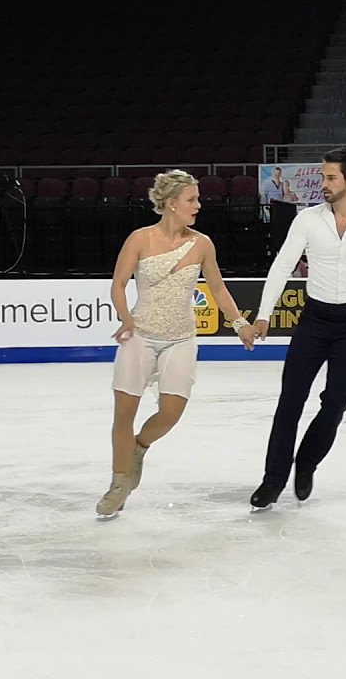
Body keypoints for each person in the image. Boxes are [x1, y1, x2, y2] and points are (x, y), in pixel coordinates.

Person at [99, 170, 258, 518]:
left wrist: (240, 324)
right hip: (139, 335)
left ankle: (139, 448)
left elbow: (217, 288)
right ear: (172, 204)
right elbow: (118, 284)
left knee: (172, 412)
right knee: (123, 414)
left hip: (181, 338)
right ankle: (118, 483)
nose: (198, 206)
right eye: (192, 200)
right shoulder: (140, 239)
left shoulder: (202, 244)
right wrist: (126, 317)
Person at [249, 148, 346, 510]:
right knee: (290, 401)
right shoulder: (306, 220)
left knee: (335, 405)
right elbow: (282, 265)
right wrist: (263, 314)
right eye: (322, 177)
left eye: (331, 177)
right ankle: (273, 480)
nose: (324, 184)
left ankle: (307, 462)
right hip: (314, 319)